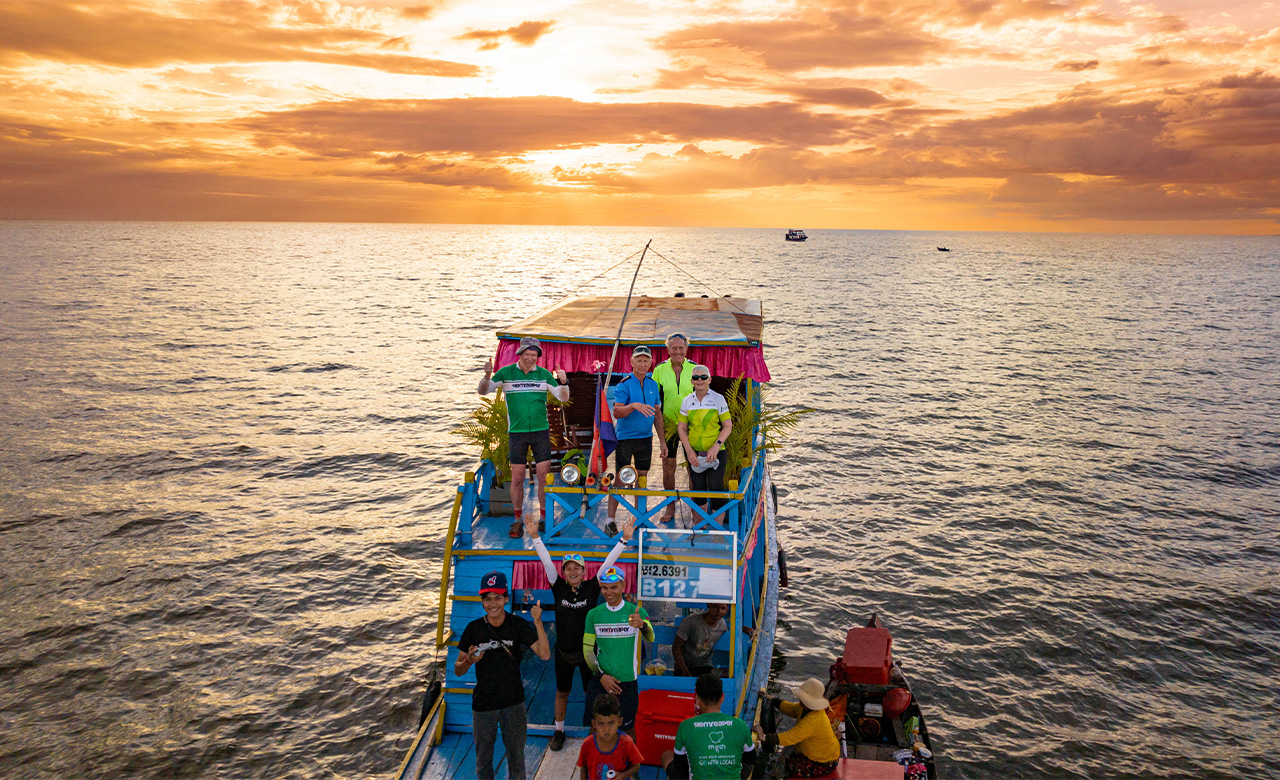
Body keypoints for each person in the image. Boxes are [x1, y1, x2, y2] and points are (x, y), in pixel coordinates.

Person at [527, 516, 633, 750]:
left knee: (591, 692)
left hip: (588, 654)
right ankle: (559, 731)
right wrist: (535, 537)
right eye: (568, 568)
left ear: (584, 572)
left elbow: (608, 562)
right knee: (562, 692)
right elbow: (545, 561)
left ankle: (594, 731)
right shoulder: (558, 588)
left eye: (577, 568)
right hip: (564, 653)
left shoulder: (592, 586)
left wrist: (624, 540)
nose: (573, 572)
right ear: (563, 573)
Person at [455, 571, 551, 780]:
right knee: (483, 761)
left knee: (517, 758)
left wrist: (538, 623)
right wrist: (470, 660)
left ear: (506, 598)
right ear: (482, 602)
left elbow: (544, 654)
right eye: (487, 599)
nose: (493, 604)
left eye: (498, 597)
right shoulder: (473, 629)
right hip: (483, 705)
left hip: (513, 703)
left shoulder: (518, 625)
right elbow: (458, 669)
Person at [479, 336, 569, 538]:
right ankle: (517, 521)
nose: (531, 358)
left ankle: (545, 519)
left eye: (534, 355)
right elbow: (483, 392)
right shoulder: (507, 372)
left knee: (544, 477)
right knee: (518, 478)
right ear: (520, 354)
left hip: (540, 432)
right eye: (527, 354)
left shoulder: (544, 374)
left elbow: (562, 397)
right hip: (517, 434)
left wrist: (564, 382)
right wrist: (486, 376)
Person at [582, 566, 654, 732]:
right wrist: (601, 676)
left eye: (613, 587)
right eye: (604, 588)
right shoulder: (593, 614)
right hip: (601, 681)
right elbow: (587, 651)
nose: (608, 592)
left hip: (626, 682)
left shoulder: (636, 611)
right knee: (595, 729)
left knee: (628, 731)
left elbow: (651, 637)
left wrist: (642, 625)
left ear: (623, 586)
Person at [607, 345, 666, 534]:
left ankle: (639, 515)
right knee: (621, 479)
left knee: (642, 477)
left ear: (650, 363)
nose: (642, 364)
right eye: (638, 360)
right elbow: (616, 412)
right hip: (625, 439)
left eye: (646, 360)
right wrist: (633, 406)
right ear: (632, 362)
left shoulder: (652, 384)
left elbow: (657, 415)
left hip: (645, 439)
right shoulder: (624, 384)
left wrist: (662, 441)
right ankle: (610, 520)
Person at [661, 673, 757, 779]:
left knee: (666, 755)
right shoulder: (740, 725)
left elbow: (680, 766)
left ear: (697, 699)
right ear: (722, 697)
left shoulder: (685, 726)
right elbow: (751, 759)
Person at [752, 678, 840, 779]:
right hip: (817, 752)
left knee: (791, 767)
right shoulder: (805, 708)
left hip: (824, 761)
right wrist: (773, 700)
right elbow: (791, 709)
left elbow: (791, 737)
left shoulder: (813, 720)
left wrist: (764, 737)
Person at [676, 368, 732, 518]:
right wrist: (688, 451)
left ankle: (717, 532)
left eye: (703, 377)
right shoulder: (687, 401)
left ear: (709, 380)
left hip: (716, 453)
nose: (699, 380)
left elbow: (728, 425)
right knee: (698, 490)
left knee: (716, 490)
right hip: (695, 452)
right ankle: (700, 529)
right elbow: (681, 428)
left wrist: (716, 445)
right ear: (692, 381)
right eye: (696, 377)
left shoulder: (718, 399)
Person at [653, 333, 695, 522]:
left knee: (694, 468)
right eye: (674, 348)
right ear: (668, 350)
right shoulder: (660, 370)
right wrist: (661, 438)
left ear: (686, 349)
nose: (677, 351)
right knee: (668, 467)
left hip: (692, 427)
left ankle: (696, 508)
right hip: (669, 425)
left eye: (681, 348)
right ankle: (670, 507)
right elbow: (656, 404)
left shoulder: (695, 369)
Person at [671, 603, 753, 677]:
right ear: (708, 605)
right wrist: (685, 672)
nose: (718, 611)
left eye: (723, 608)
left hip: (705, 666)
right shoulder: (691, 622)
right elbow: (676, 647)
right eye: (715, 607)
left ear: (727, 610)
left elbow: (727, 631)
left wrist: (742, 629)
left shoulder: (721, 623)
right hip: (685, 667)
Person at [577, 693, 644, 780]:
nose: (606, 729)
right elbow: (583, 767)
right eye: (601, 724)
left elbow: (636, 765)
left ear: (619, 722)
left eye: (611, 723)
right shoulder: (587, 744)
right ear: (594, 724)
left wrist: (622, 776)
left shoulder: (626, 742)